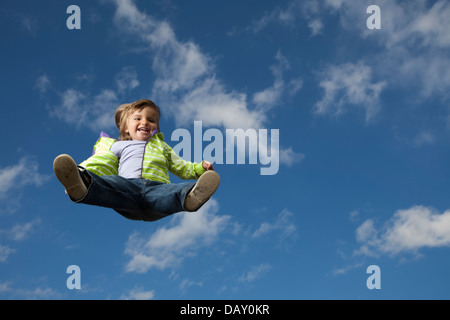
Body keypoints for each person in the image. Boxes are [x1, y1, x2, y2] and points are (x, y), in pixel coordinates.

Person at [53, 99, 220, 221]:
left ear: (156, 128)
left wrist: (200, 168)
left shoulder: (163, 147)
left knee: (175, 191)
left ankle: (190, 198)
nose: (145, 122)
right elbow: (101, 161)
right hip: (128, 190)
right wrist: (78, 176)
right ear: (126, 128)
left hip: (157, 191)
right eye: (138, 118)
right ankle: (82, 187)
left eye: (151, 120)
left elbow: (181, 166)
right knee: (109, 184)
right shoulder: (118, 146)